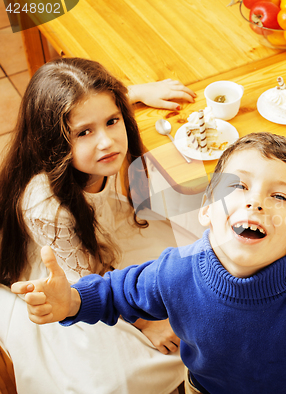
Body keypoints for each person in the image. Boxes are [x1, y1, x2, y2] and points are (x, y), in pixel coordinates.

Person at [13, 133, 286, 394]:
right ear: (206, 210)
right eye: (239, 187)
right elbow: (115, 292)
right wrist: (70, 301)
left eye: (280, 196)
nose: (255, 201)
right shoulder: (174, 272)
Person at [0, 57, 197, 393]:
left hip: (112, 229)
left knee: (202, 268)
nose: (106, 142)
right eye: (84, 132)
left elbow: (96, 105)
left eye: (112, 121)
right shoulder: (45, 204)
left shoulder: (104, 144)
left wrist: (134, 93)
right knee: (122, 373)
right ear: (54, 142)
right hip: (70, 270)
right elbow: (87, 277)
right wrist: (145, 321)